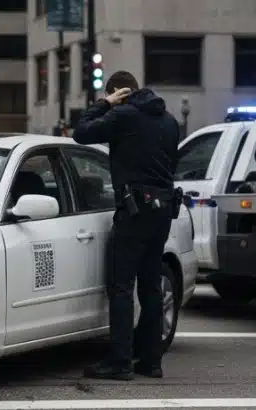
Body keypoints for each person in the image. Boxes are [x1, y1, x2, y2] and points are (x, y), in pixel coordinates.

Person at [71, 71, 179, 381]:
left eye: (112, 94)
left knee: (121, 287)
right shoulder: (169, 120)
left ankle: (119, 360)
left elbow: (80, 132)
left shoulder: (124, 114)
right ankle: (151, 361)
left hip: (134, 211)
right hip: (163, 209)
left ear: (118, 92)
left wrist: (103, 104)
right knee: (150, 287)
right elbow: (170, 164)